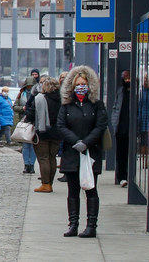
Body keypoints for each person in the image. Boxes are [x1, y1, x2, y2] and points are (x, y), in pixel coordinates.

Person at [57, 65, 109, 238]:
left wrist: (86, 143)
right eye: (77, 84)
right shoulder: (66, 105)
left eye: (84, 83)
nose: (81, 87)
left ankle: (91, 225)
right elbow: (61, 125)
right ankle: (73, 224)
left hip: (90, 153)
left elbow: (101, 125)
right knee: (73, 191)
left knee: (90, 189)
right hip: (72, 153)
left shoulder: (96, 104)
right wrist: (75, 142)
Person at [27, 76, 61, 192]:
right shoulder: (62, 99)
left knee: (43, 158)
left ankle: (45, 184)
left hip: (42, 132)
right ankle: (50, 183)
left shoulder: (40, 99)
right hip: (57, 132)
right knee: (52, 158)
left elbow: (30, 114)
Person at [109, 69, 132, 187]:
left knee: (130, 153)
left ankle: (129, 176)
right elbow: (115, 108)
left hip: (131, 127)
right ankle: (122, 176)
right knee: (121, 153)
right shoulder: (120, 92)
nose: (127, 81)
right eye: (125, 78)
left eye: (129, 78)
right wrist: (114, 124)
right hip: (121, 127)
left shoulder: (136, 92)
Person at [15, 77, 37, 173]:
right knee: (25, 145)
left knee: (32, 145)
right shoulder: (21, 94)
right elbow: (15, 106)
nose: (29, 87)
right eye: (28, 86)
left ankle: (31, 164)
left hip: (34, 122)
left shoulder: (37, 95)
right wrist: (22, 108)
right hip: (24, 122)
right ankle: (26, 164)